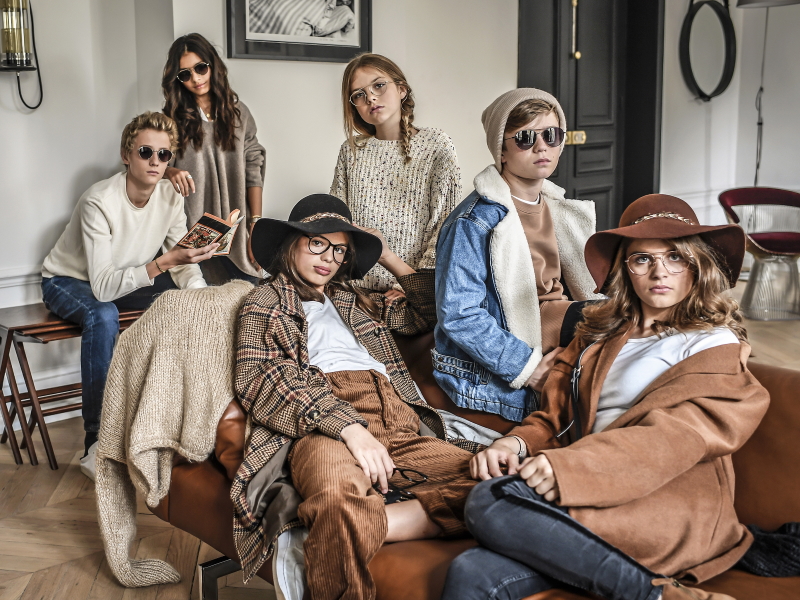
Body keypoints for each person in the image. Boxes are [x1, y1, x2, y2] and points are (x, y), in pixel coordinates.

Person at [442, 194, 770, 600]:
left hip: (661, 501)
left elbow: (674, 437)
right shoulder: (599, 336)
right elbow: (556, 417)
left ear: (696, 265)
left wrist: (569, 469)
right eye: (642, 259)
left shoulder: (713, 346)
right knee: (471, 572)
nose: (659, 272)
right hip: (588, 495)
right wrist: (516, 443)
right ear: (624, 268)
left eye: (675, 257)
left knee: (489, 500)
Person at [233, 194, 476, 600]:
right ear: (291, 243)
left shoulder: (356, 301)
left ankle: (373, 521)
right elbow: (260, 379)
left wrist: (389, 258)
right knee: (335, 499)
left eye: (340, 249)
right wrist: (348, 427)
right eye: (317, 243)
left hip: (397, 419)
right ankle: (349, 521)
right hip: (322, 423)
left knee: (500, 484)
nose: (328, 258)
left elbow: (435, 311)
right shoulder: (266, 301)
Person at [41, 111, 215, 478]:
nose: (155, 162)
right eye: (145, 152)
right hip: (67, 281)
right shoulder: (98, 201)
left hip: (125, 279)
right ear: (126, 155)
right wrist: (164, 262)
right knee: (102, 315)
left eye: (163, 155)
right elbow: (103, 288)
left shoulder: (170, 197)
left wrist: (201, 299)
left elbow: (183, 264)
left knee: (182, 302)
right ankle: (97, 444)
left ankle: (172, 426)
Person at [433, 88, 601, 426]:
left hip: (558, 317)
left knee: (643, 329)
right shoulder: (474, 221)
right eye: (525, 138)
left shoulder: (560, 208)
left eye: (551, 135)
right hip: (519, 335)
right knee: (618, 324)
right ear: (502, 150)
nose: (542, 147)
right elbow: (460, 314)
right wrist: (526, 367)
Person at [330, 53, 462, 293]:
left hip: (412, 288)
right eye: (359, 94)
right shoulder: (351, 150)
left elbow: (444, 227)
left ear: (402, 89)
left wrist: (410, 286)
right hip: (352, 288)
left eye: (379, 85)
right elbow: (337, 221)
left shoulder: (436, 145)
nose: (370, 97)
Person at [161, 33, 266, 284]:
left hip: (236, 231)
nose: (196, 79)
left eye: (200, 68)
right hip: (193, 232)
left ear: (213, 65)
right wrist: (169, 171)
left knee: (249, 292)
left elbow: (253, 167)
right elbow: (149, 166)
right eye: (185, 74)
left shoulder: (239, 114)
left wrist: (256, 223)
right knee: (202, 298)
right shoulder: (171, 119)